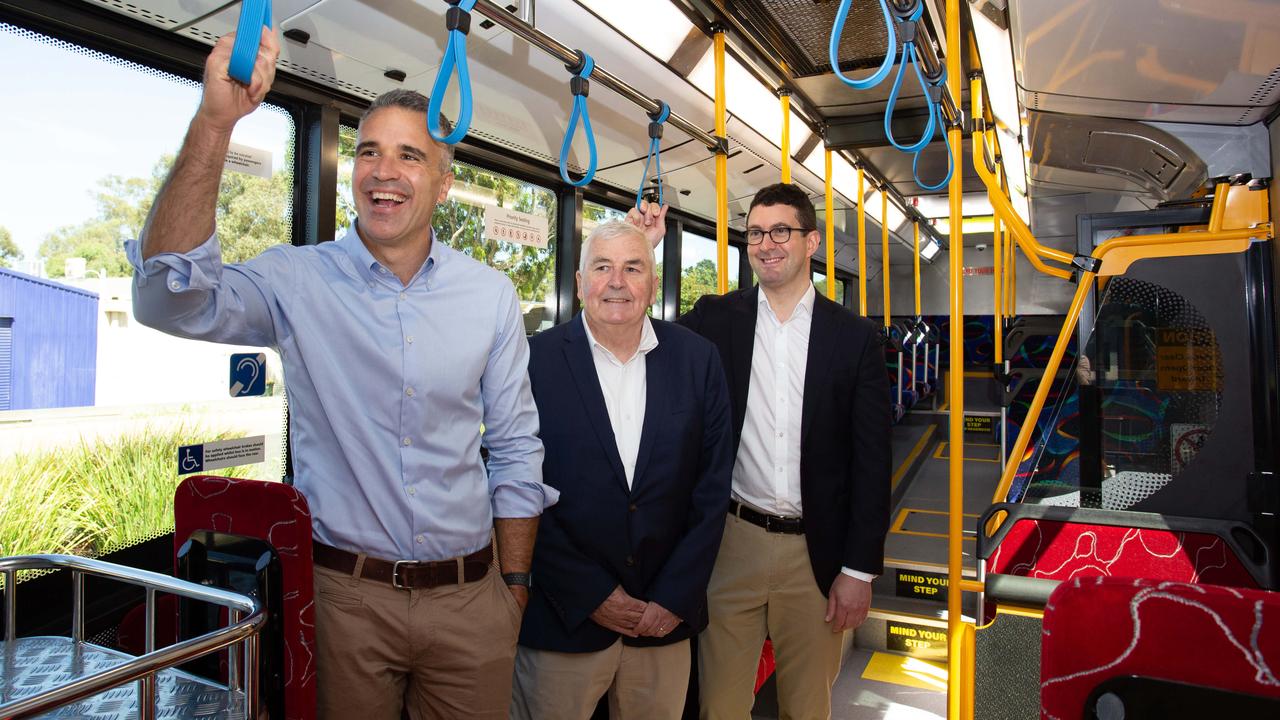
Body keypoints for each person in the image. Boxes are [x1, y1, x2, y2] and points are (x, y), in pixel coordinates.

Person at [126, 28, 556, 720]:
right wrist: (215, 122)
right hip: (343, 601)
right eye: (368, 152)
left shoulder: (489, 296)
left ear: (444, 183)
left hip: (473, 599)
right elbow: (166, 299)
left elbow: (515, 448)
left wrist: (513, 587)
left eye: (409, 156)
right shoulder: (297, 279)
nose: (383, 171)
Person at [629, 184, 892, 719]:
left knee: (806, 706)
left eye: (781, 231)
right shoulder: (716, 319)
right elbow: (646, 344)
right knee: (720, 705)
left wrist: (859, 571)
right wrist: (644, 251)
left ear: (811, 241)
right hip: (732, 543)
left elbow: (872, 460)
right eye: (754, 233)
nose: (766, 244)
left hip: (817, 553)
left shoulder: (855, 337)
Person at [512, 220, 734, 719]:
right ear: (578, 280)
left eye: (633, 268)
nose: (617, 282)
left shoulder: (699, 361)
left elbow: (711, 489)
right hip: (561, 619)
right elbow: (514, 486)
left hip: (664, 621)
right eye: (603, 267)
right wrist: (592, 594)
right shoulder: (531, 362)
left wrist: (673, 598)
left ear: (652, 285)